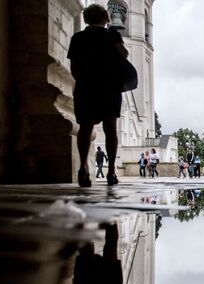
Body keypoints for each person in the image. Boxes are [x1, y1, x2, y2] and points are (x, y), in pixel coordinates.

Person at [68, 4, 129, 187]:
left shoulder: (77, 38)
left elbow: (74, 68)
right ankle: (111, 172)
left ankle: (84, 166)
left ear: (87, 19)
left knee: (85, 127)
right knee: (111, 129)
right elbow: (124, 55)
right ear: (106, 18)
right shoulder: (112, 35)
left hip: (86, 87)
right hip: (109, 88)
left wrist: (85, 81)